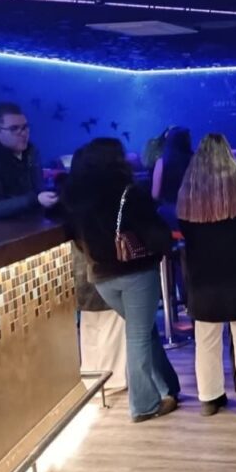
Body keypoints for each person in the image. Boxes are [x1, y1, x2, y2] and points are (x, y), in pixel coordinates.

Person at [63, 138, 180, 423]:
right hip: (135, 274)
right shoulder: (130, 194)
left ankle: (169, 387)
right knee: (139, 336)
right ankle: (143, 404)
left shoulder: (75, 199)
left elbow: (70, 233)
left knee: (144, 332)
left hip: (101, 278)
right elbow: (155, 233)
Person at [177, 134, 236, 416]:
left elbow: (185, 230)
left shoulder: (189, 192)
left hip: (204, 277)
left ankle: (209, 397)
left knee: (206, 337)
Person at [0, 102, 58, 220]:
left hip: (31, 226)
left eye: (25, 127)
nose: (24, 133)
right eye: (14, 128)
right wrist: (35, 199)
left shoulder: (31, 152)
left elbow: (38, 191)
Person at [74, 247, 127, 392]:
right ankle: (112, 379)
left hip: (80, 272)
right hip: (103, 270)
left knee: (90, 328)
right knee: (112, 327)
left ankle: (91, 379)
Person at [151, 126, 193, 229]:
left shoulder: (161, 162)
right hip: (195, 213)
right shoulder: (199, 162)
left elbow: (155, 194)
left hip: (169, 213)